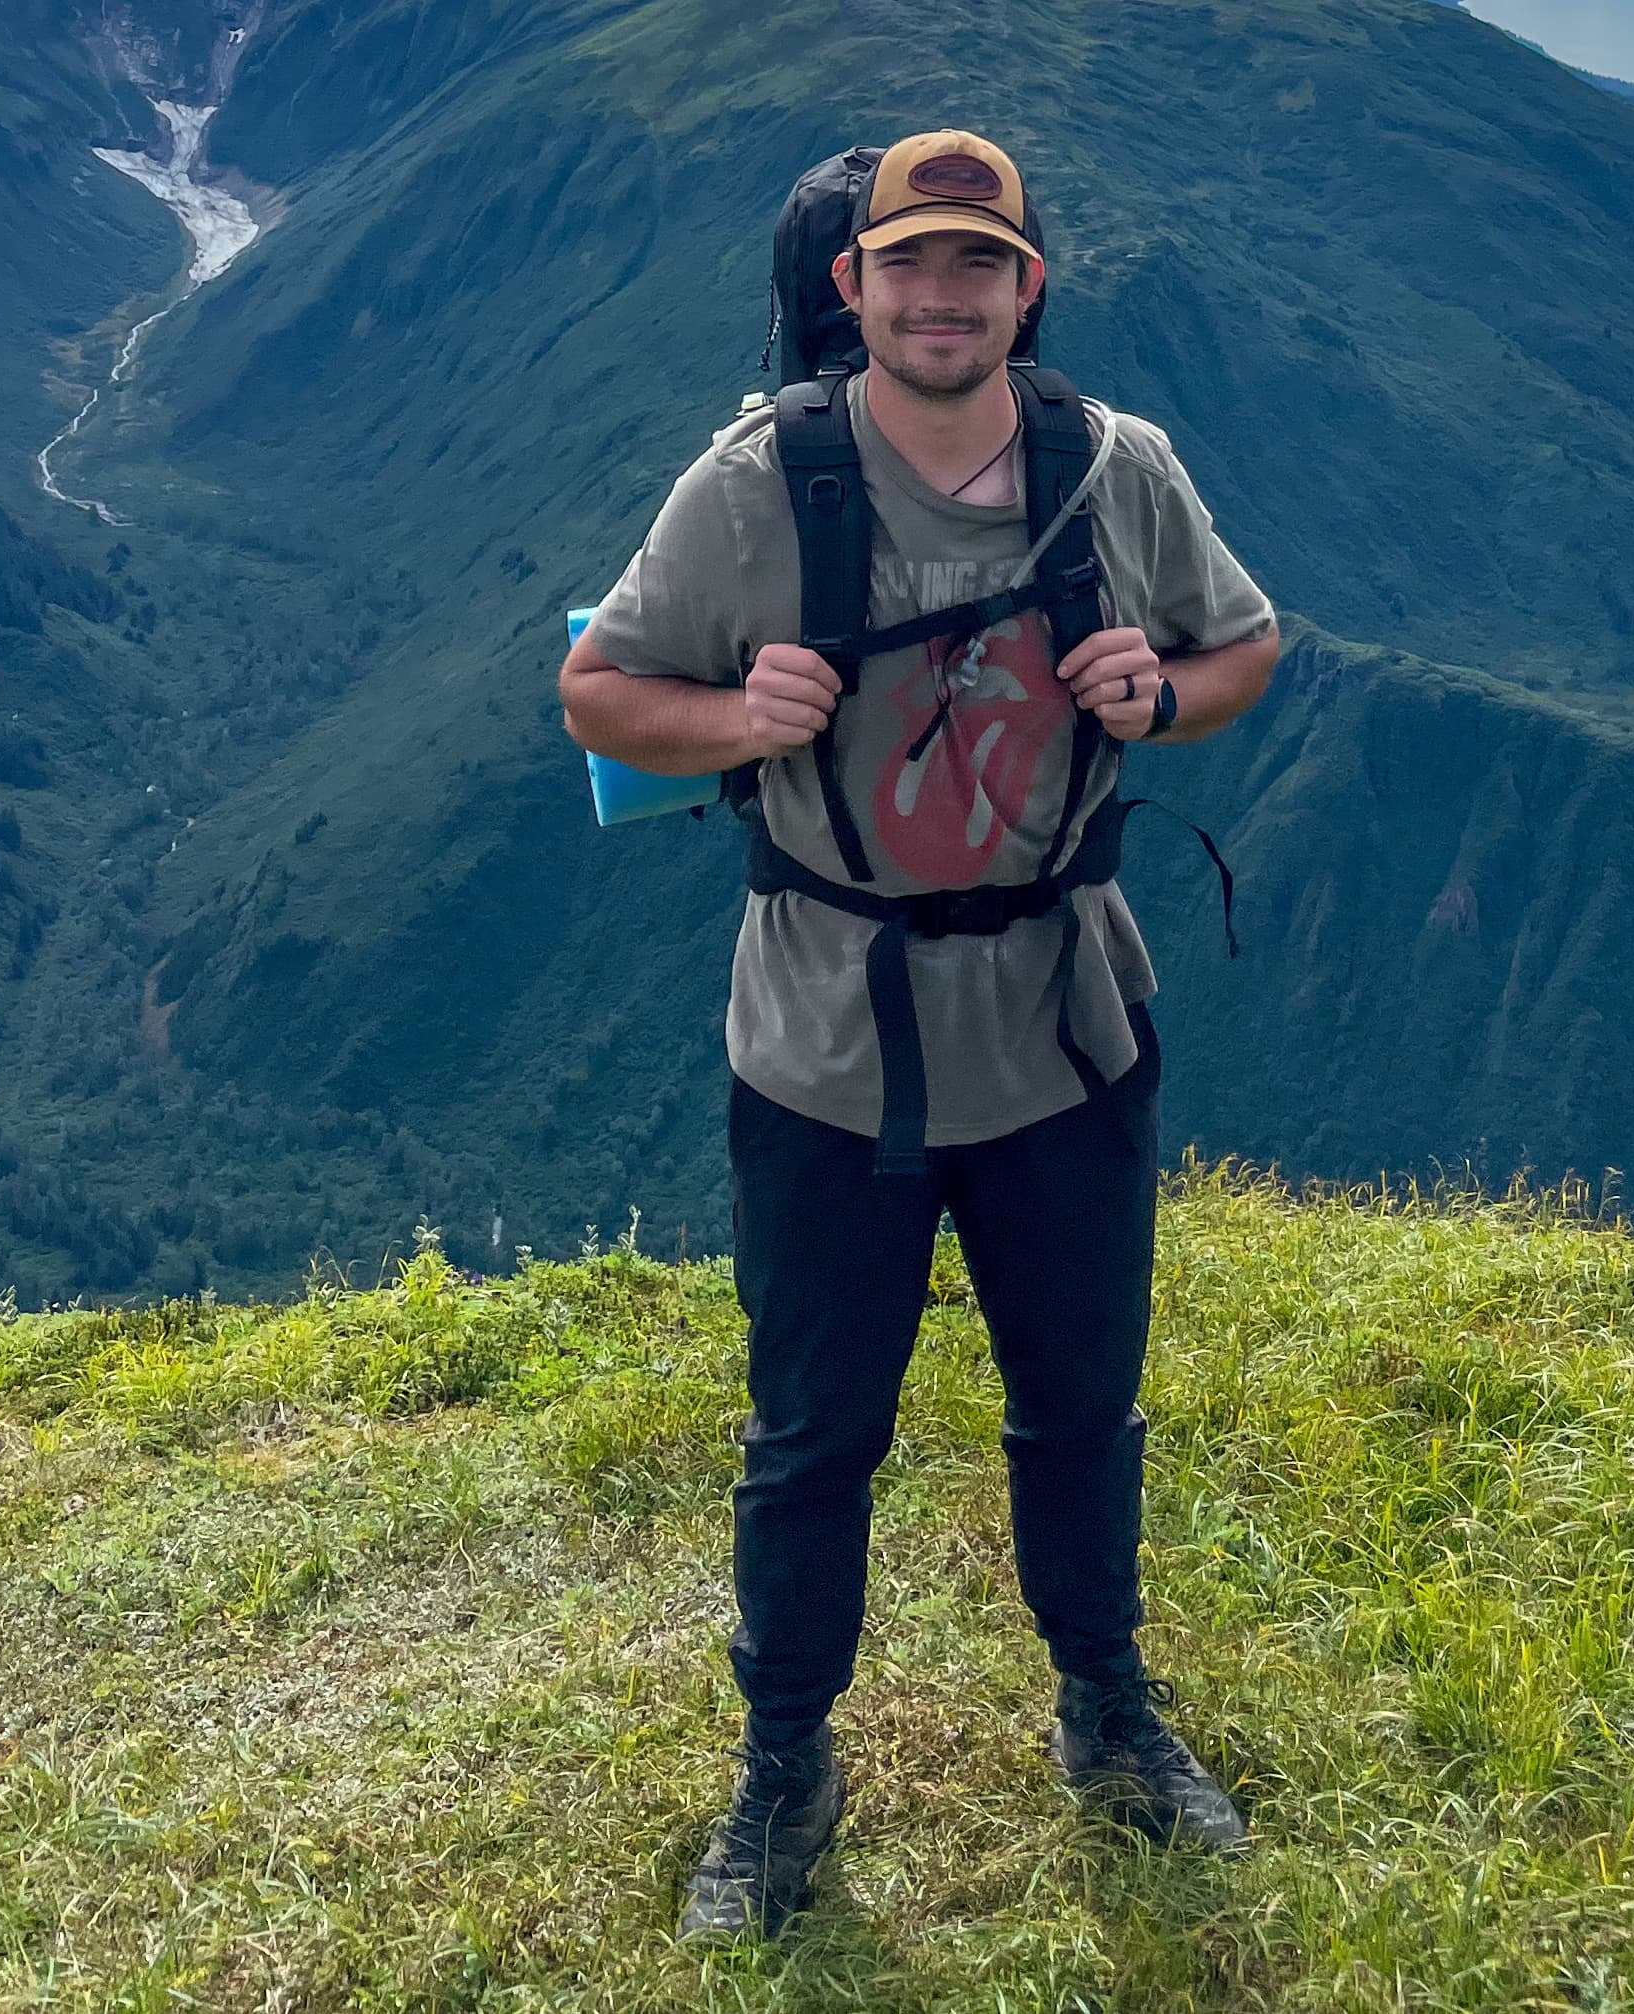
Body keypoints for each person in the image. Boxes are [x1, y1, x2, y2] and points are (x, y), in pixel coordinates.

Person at [559, 127, 1282, 1942]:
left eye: (977, 264)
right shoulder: (756, 487)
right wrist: (736, 720)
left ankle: (1108, 1706)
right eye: (908, 265)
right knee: (812, 1431)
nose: (940, 297)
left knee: (1081, 1403)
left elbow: (1244, 647)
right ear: (853, 286)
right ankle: (784, 1764)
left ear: (1027, 288)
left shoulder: (1117, 471)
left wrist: (1163, 692)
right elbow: (597, 691)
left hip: (1062, 1021)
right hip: (828, 1043)